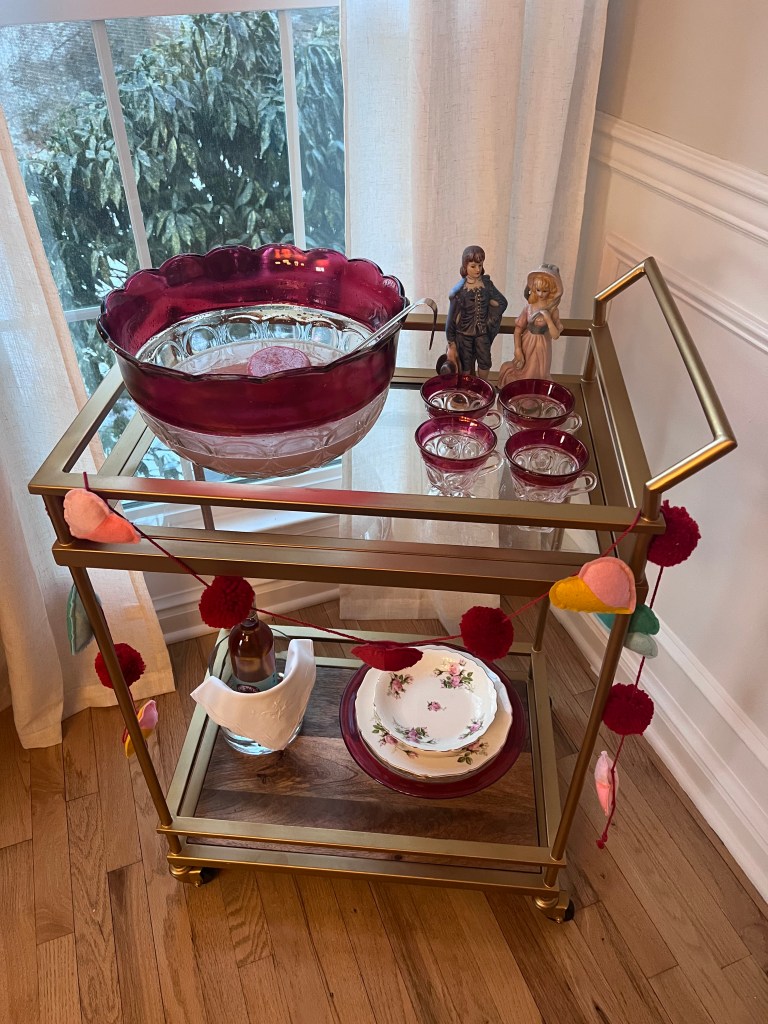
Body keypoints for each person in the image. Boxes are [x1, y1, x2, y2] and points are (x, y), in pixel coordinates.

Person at [438, 245, 507, 379]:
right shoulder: (459, 291)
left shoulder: (487, 285)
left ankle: (483, 386)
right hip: (464, 335)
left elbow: (502, 303)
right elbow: (451, 320)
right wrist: (451, 343)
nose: (477, 269)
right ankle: (466, 389)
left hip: (482, 333)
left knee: (485, 361)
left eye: (480, 265)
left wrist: (489, 320)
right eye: (473, 266)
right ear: (465, 266)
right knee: (466, 364)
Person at [498, 263, 563, 387]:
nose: (541, 294)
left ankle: (534, 398)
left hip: (543, 346)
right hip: (527, 342)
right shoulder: (529, 308)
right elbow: (518, 329)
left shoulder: (553, 310)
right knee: (523, 371)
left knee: (538, 374)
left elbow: (555, 335)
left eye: (545, 291)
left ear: (551, 290)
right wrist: (518, 349)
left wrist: (548, 318)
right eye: (538, 290)